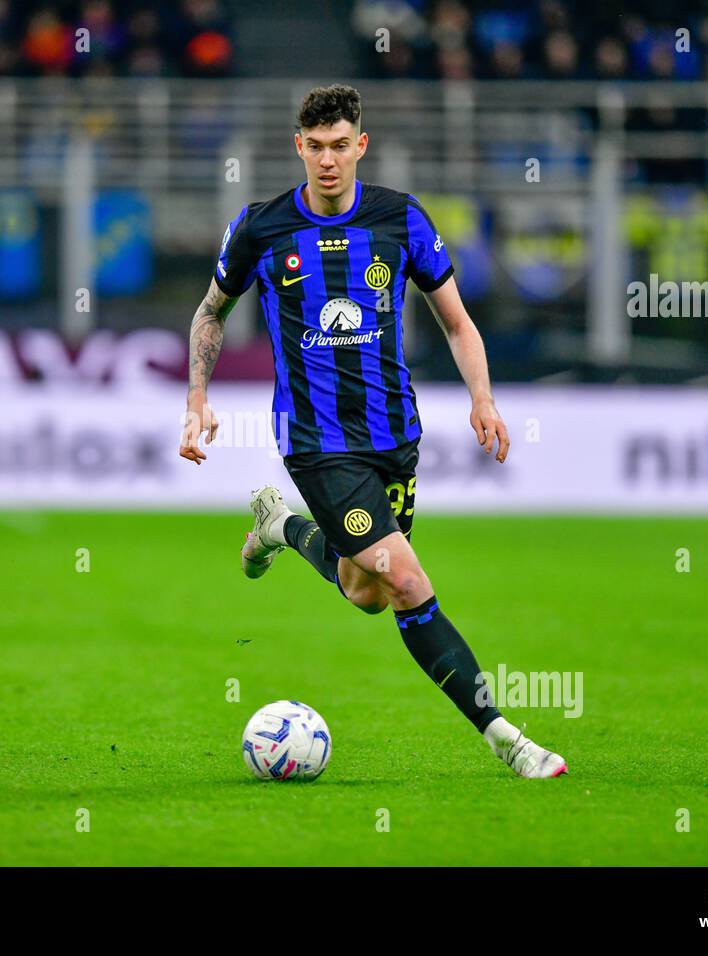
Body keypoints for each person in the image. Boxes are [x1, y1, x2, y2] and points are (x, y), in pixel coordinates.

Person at [178, 84, 566, 778]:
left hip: (394, 436)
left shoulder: (401, 219)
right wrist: (197, 397)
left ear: (361, 145)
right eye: (315, 147)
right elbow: (210, 313)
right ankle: (506, 737)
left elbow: (456, 321)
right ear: (300, 147)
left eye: (340, 146)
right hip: (316, 443)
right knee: (408, 581)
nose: (328, 161)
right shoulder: (261, 227)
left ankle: (280, 528)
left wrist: (484, 399)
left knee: (367, 591)